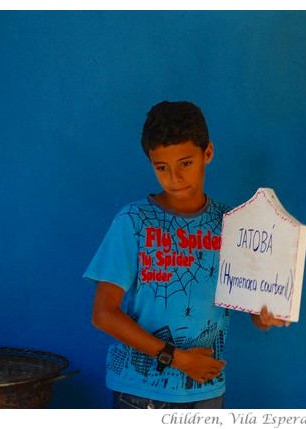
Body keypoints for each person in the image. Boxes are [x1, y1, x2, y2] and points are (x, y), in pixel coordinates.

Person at [84, 101, 287, 409]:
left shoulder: (232, 222)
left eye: (186, 163)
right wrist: (176, 358)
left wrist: (266, 315)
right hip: (139, 391)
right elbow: (103, 314)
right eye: (161, 167)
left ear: (207, 153)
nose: (174, 178)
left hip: (206, 387)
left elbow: (253, 311)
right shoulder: (134, 221)